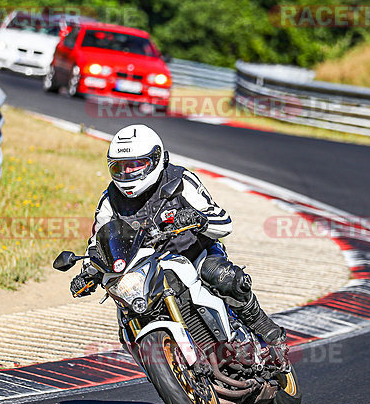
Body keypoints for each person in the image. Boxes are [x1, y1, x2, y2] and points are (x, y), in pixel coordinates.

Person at [70, 124, 288, 364]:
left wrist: (198, 219)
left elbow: (224, 223)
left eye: (136, 165)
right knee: (126, 313)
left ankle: (265, 328)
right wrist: (88, 272)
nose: (129, 173)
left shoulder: (181, 180)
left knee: (220, 275)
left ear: (155, 160)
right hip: (145, 268)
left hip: (195, 253)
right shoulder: (110, 200)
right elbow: (98, 242)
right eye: (121, 167)